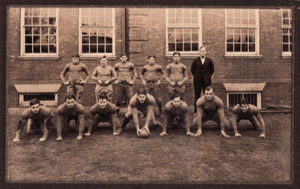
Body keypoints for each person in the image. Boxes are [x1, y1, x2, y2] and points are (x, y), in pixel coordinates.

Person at [191, 46, 214, 116]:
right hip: (197, 80)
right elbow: (192, 70)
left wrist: (207, 77)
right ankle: (196, 111)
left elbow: (212, 70)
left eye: (204, 51)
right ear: (199, 52)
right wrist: (197, 76)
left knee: (207, 96)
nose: (202, 52)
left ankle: (206, 111)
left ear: (206, 52)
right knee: (197, 95)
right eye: (201, 51)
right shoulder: (195, 61)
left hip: (206, 81)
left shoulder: (209, 61)